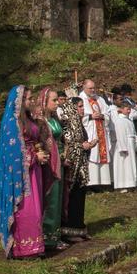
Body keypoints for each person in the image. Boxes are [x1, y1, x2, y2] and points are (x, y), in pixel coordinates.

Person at [0, 86, 52, 259]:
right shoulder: (12, 122)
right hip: (21, 174)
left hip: (34, 170)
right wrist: (34, 156)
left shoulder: (28, 119)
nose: (32, 101)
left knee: (36, 208)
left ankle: (36, 246)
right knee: (25, 209)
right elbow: (11, 152)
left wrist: (40, 152)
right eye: (28, 99)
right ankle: (23, 248)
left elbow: (34, 141)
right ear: (20, 102)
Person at [34, 88, 67, 250]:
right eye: (53, 100)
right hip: (47, 164)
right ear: (44, 101)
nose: (56, 103)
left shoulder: (54, 119)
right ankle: (46, 236)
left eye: (56, 100)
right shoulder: (39, 121)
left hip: (59, 161)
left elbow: (60, 138)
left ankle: (55, 235)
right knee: (50, 199)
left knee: (58, 198)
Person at [58, 96, 90, 241]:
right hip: (71, 167)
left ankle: (79, 228)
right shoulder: (67, 125)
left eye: (83, 106)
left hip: (81, 166)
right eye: (80, 106)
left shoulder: (79, 124)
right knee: (71, 197)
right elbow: (68, 144)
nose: (83, 109)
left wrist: (86, 145)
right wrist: (81, 146)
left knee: (80, 196)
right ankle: (69, 230)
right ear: (72, 108)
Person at [79, 79, 112, 188]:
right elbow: (76, 116)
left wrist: (102, 116)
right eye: (90, 88)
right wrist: (90, 116)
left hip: (101, 131)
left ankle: (103, 183)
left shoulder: (100, 99)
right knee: (92, 156)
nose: (93, 90)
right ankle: (91, 184)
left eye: (94, 88)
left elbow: (108, 114)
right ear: (84, 87)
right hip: (89, 131)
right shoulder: (80, 99)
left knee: (102, 154)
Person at [111, 99, 137, 192]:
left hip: (130, 144)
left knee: (130, 165)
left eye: (130, 109)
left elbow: (133, 133)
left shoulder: (129, 120)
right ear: (121, 109)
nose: (129, 111)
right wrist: (123, 147)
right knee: (123, 165)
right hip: (124, 145)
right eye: (127, 109)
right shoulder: (120, 121)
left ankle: (130, 183)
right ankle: (122, 185)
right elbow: (120, 134)